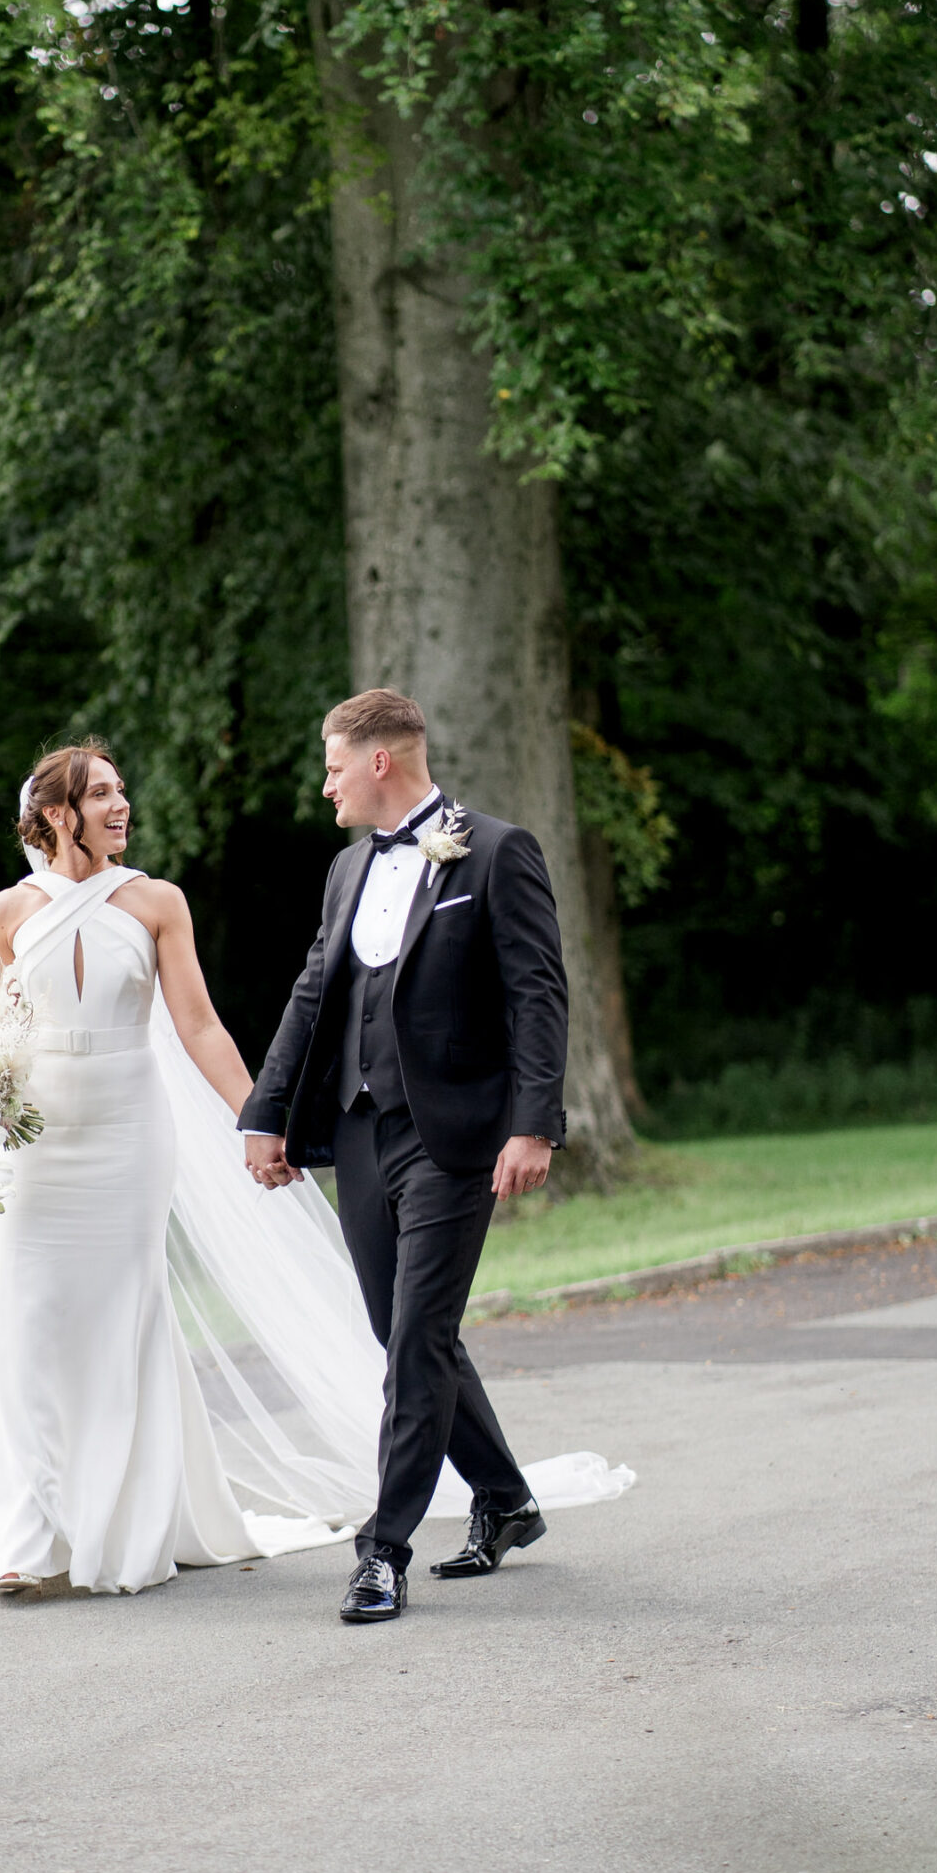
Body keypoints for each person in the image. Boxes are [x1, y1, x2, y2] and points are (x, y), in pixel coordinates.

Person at [0, 743, 373, 1597]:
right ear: (56, 814)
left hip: (128, 1131)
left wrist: (256, 1117)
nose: (122, 806)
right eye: (104, 795)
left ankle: (123, 1531)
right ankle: (30, 1534)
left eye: (123, 790)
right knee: (26, 1323)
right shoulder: (6, 912)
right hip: (37, 1144)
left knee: (123, 1319)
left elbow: (197, 1027)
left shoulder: (156, 901)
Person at [239, 688, 571, 1625]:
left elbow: (537, 997)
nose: (325, 783)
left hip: (455, 1136)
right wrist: (264, 1116)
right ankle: (504, 1502)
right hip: (356, 1130)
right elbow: (313, 996)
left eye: (334, 765)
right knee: (401, 1332)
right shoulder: (347, 868)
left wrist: (533, 1123)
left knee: (418, 1336)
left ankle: (382, 1549)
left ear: (379, 760)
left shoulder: (498, 851)